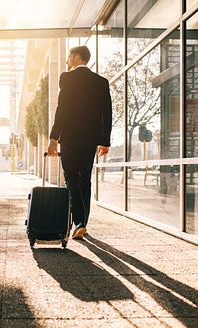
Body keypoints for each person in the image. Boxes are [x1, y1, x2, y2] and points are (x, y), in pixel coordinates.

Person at [47, 45, 112, 239]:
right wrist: (105, 141)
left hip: (70, 138)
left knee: (71, 178)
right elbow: (106, 113)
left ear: (76, 58)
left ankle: (79, 221)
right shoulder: (101, 82)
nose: (66, 62)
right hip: (90, 140)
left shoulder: (67, 78)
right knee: (85, 179)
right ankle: (82, 223)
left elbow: (62, 109)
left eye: (68, 58)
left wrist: (53, 138)